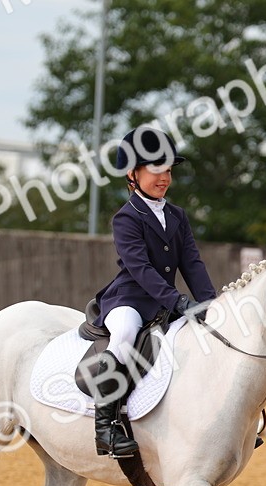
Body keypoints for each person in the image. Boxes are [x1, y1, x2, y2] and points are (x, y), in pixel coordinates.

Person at [90, 126, 218, 458]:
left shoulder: (177, 216)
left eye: (169, 171)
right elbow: (141, 269)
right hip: (129, 299)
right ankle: (106, 429)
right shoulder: (125, 218)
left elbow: (191, 262)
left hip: (166, 303)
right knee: (124, 335)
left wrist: (211, 304)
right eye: (156, 170)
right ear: (132, 174)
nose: (165, 178)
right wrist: (178, 300)